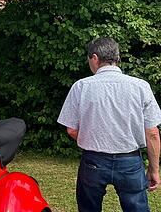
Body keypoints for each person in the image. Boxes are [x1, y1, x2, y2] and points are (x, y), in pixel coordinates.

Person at [58, 37, 161, 212]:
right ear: (117, 59)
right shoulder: (140, 86)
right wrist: (154, 169)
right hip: (130, 161)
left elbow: (72, 129)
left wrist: (94, 138)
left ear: (95, 58)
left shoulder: (81, 86)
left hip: (93, 161)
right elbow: (152, 133)